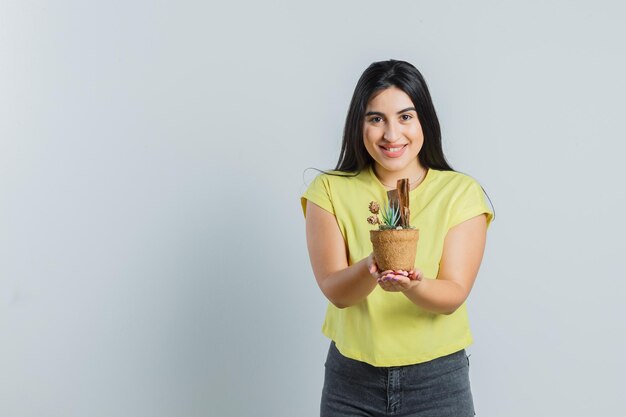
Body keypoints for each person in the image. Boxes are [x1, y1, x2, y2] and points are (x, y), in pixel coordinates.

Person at [300, 59, 494, 417]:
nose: (392, 134)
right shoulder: (328, 190)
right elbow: (336, 290)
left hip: (437, 381)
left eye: (405, 117)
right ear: (358, 124)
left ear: (425, 121)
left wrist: (411, 285)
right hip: (352, 380)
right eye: (376, 119)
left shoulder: (460, 192)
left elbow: (453, 294)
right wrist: (373, 266)